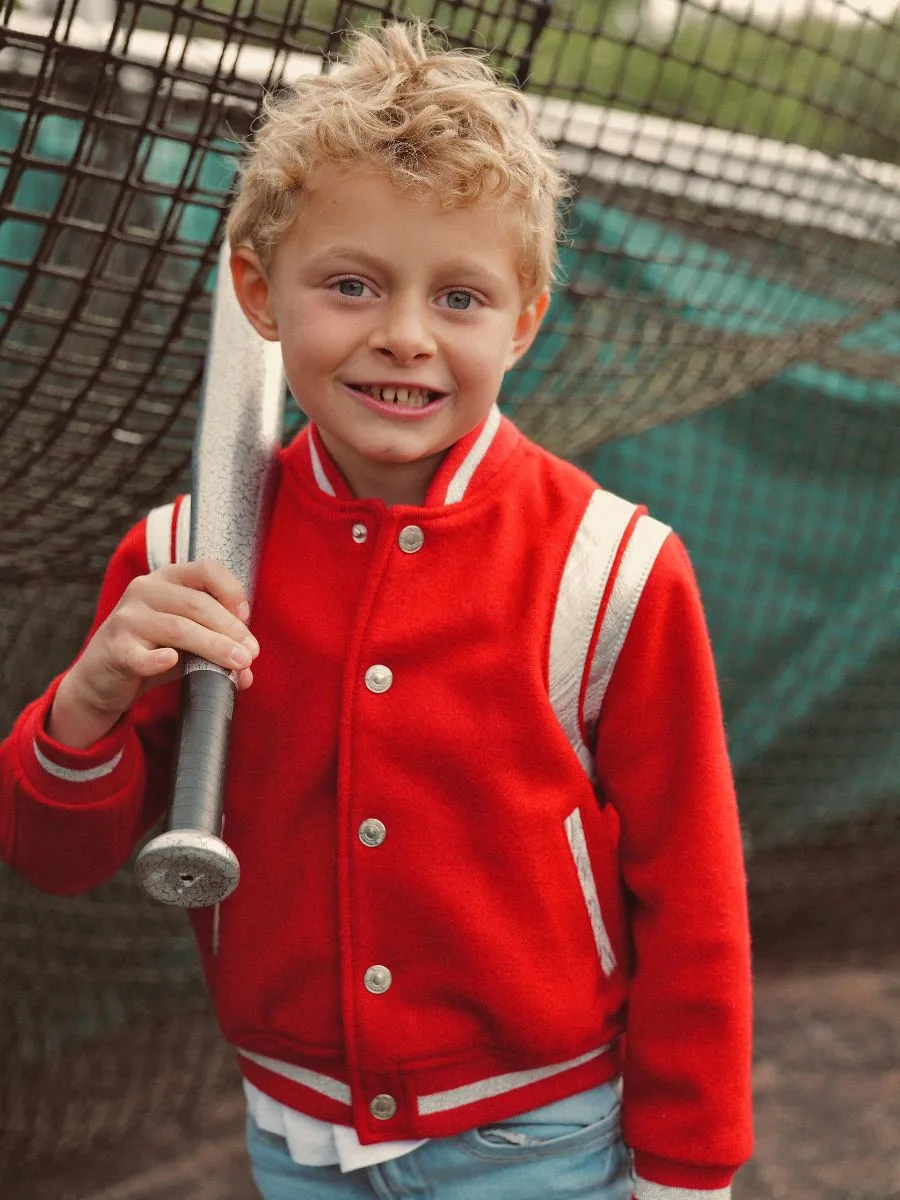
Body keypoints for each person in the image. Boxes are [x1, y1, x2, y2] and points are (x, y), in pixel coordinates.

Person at [0, 20, 753, 1200]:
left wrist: (689, 1169)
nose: (404, 334)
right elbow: (55, 857)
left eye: (459, 296)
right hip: (292, 1134)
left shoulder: (616, 568)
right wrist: (88, 701)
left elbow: (695, 894)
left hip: (540, 1140)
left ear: (524, 320)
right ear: (258, 292)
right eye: (351, 284)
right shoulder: (184, 558)